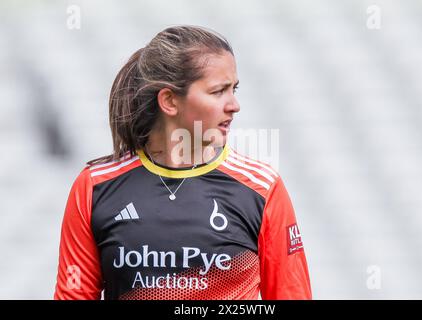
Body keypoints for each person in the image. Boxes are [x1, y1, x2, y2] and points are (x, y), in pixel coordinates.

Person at [54, 25, 311, 300]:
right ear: (169, 101)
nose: (234, 105)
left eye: (233, 89)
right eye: (218, 91)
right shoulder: (95, 186)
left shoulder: (261, 188)